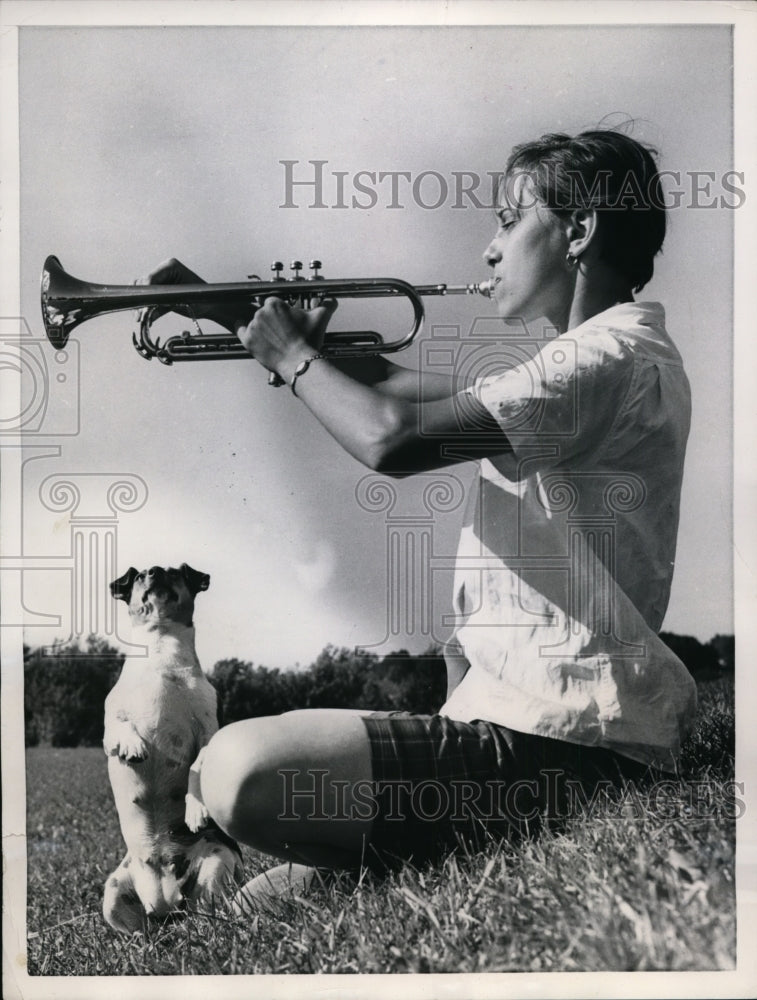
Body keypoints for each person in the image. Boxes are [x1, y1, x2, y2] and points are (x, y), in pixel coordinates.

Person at [140, 129, 697, 904]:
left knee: (238, 770)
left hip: (561, 741)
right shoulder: (599, 358)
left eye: (507, 221)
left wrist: (295, 362)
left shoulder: (602, 359)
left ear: (579, 230)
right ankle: (406, 849)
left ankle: (498, 825)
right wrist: (242, 314)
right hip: (545, 728)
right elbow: (402, 389)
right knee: (254, 902)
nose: (488, 251)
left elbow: (390, 437)